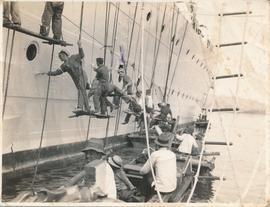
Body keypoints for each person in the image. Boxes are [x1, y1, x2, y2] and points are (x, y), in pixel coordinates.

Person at [42, 40, 90, 113]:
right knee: (82, 91)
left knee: (81, 90)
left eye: (60, 56)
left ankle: (80, 107)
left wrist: (80, 46)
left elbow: (82, 55)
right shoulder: (64, 66)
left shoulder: (74, 57)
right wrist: (48, 73)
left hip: (82, 75)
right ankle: (87, 108)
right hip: (77, 79)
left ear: (65, 55)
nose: (60, 58)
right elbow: (57, 72)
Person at [140, 132, 177, 202]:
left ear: (157, 144)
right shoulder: (173, 154)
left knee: (146, 175)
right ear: (167, 145)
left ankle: (144, 196)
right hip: (172, 186)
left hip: (161, 189)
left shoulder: (155, 154)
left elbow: (142, 171)